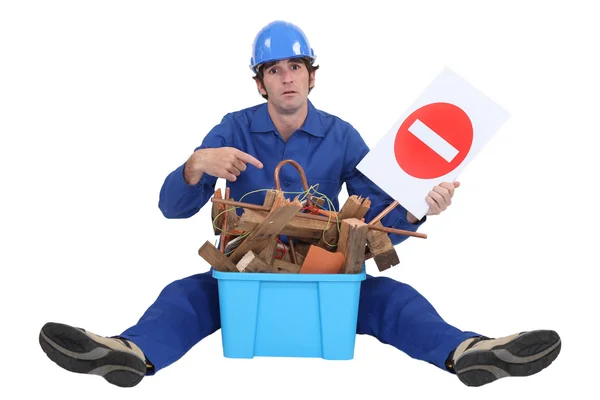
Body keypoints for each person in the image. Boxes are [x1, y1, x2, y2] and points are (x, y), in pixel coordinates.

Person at [39, 20, 561, 389]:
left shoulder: (341, 135)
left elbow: (379, 218)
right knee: (185, 297)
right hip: (246, 277)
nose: (286, 77)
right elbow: (172, 209)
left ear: (312, 75)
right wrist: (196, 165)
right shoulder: (232, 130)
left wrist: (423, 205)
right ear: (260, 80)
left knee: (392, 301)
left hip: (324, 277)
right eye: (273, 69)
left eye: (296, 66)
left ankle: (465, 352)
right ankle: (131, 352)